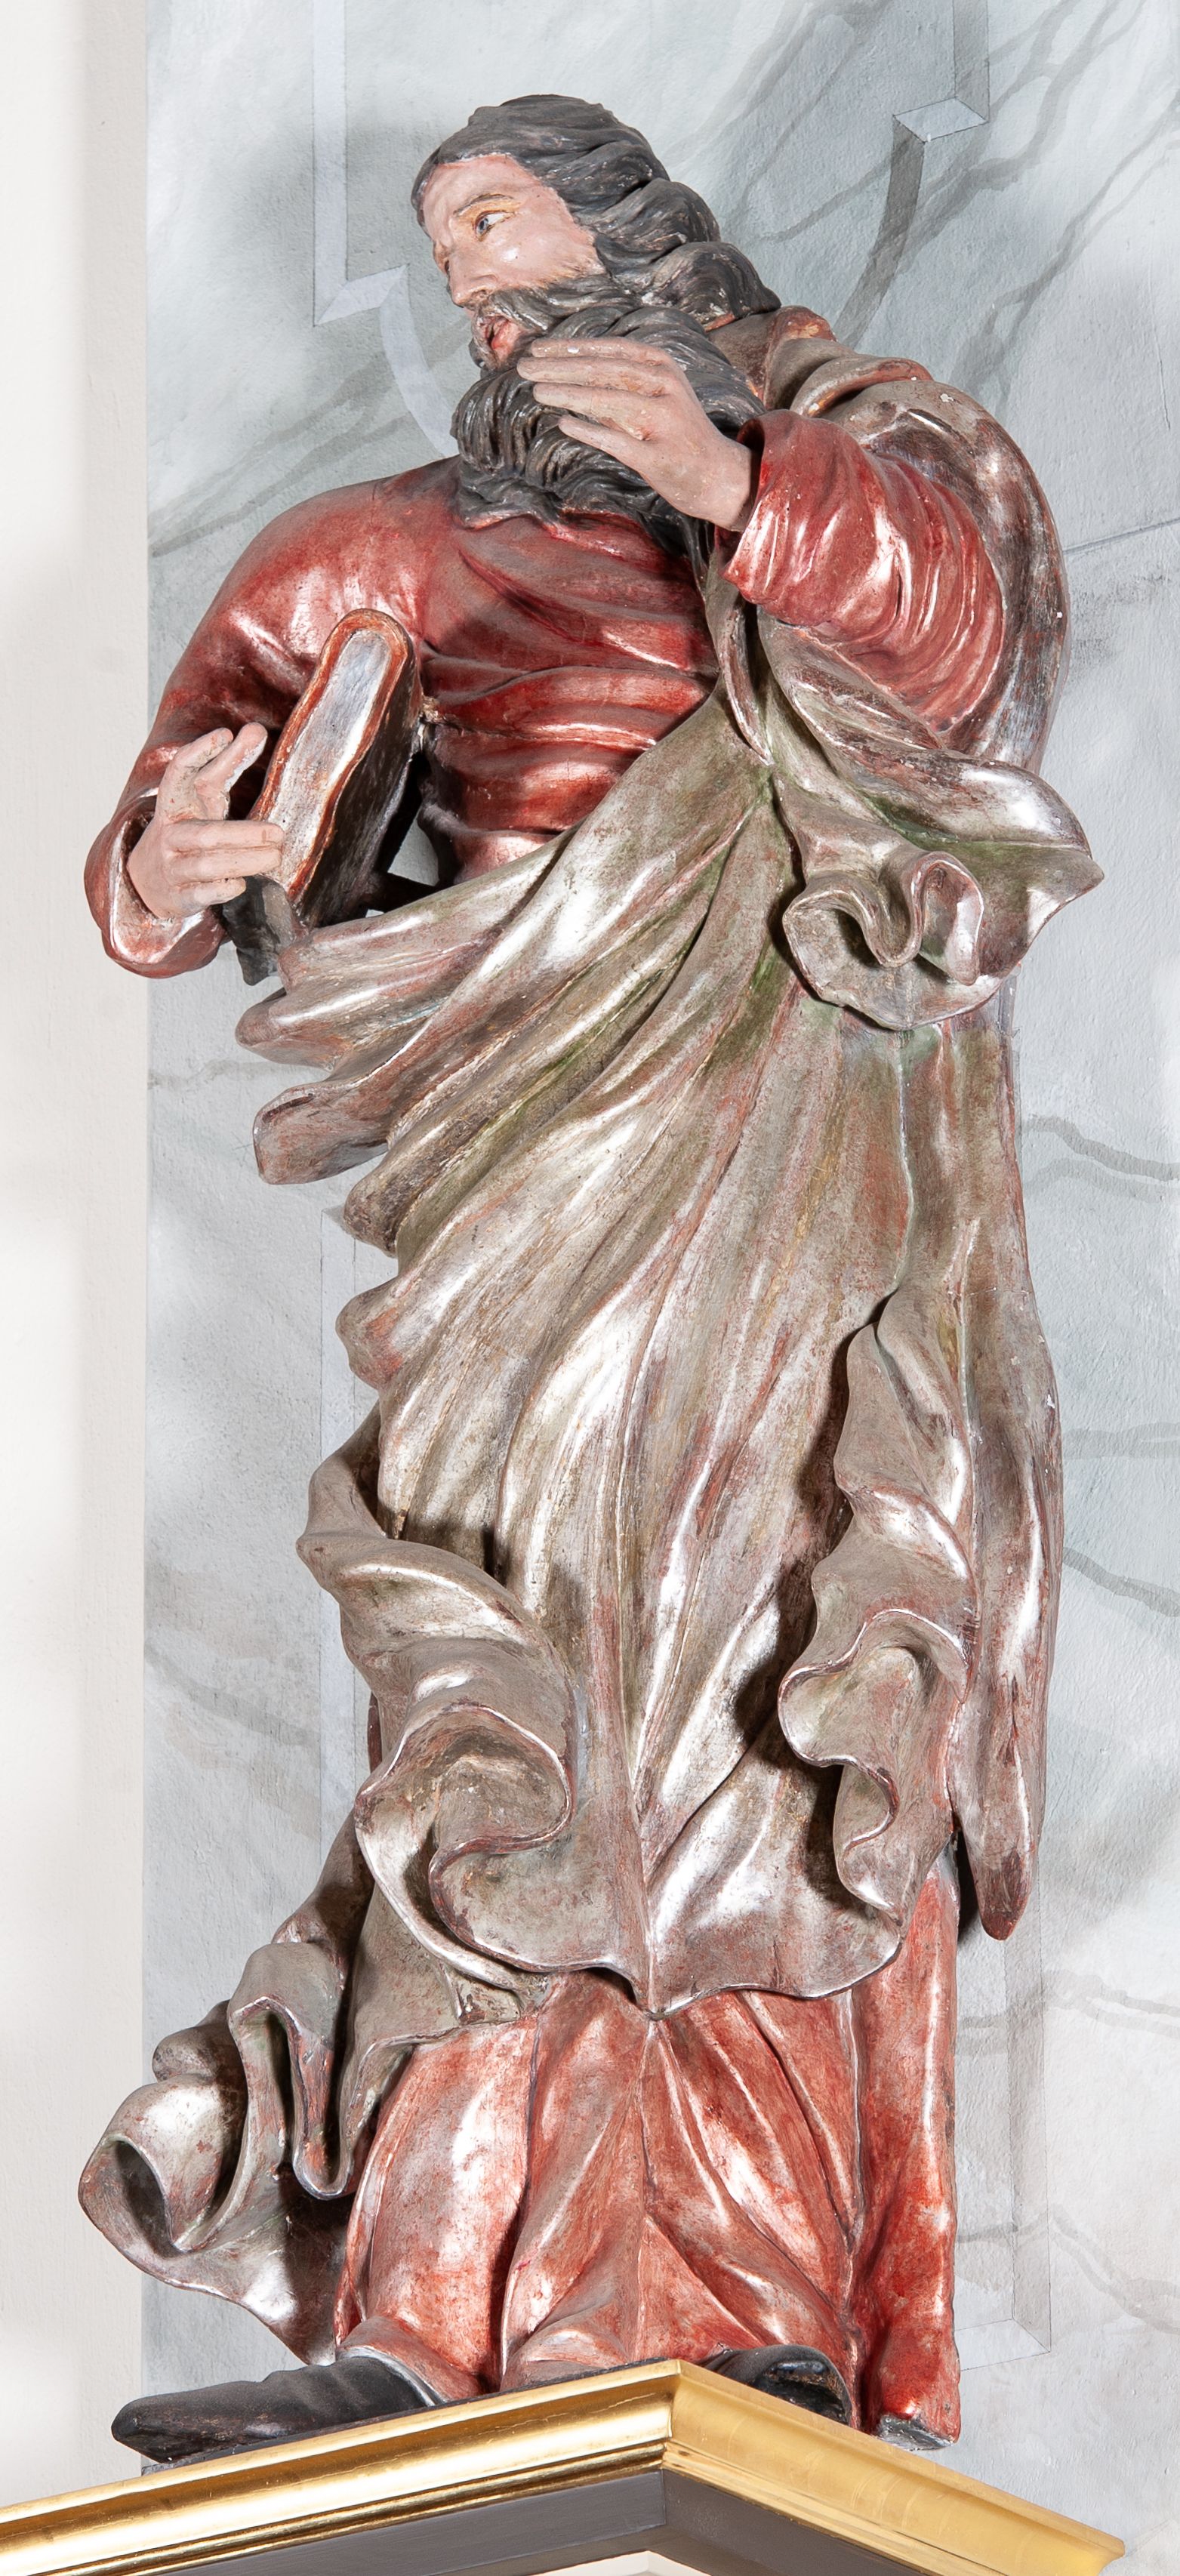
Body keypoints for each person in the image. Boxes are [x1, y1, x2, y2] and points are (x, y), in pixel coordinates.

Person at [82, 94, 1097, 2468]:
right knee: (495, 1699)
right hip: (510, 1171)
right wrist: (172, 852)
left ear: (646, 240)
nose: (478, 289)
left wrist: (742, 488)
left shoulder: (849, 467)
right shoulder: (376, 544)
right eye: (449, 257)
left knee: (750, 1691)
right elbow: (162, 842)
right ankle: (419, 2314)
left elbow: (967, 647)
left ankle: (743, 2302)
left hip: (774, 1140)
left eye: (509, 233)